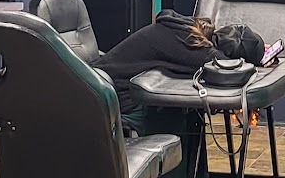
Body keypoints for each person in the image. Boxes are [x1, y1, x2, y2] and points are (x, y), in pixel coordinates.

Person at [92, 11, 265, 130]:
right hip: (112, 100)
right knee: (176, 118)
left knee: (183, 113)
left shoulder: (190, 27)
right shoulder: (198, 49)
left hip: (97, 87)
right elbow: (229, 69)